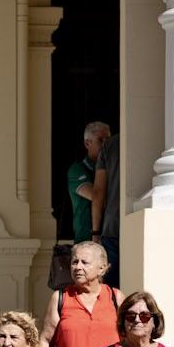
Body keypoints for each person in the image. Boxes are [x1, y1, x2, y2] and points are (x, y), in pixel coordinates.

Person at [43, 240, 119, 347]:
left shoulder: (115, 297)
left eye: (85, 262)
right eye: (74, 262)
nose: (78, 267)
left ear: (102, 268)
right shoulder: (61, 297)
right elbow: (45, 341)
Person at [65, 122, 120, 284]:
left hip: (109, 235)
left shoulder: (111, 166)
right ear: (87, 143)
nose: (106, 145)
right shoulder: (78, 170)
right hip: (87, 238)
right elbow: (97, 195)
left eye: (108, 140)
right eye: (101, 140)